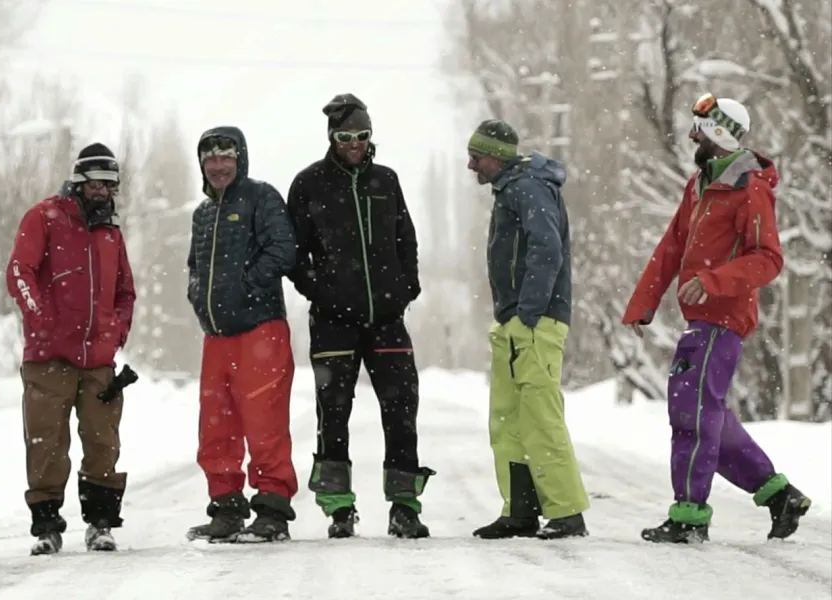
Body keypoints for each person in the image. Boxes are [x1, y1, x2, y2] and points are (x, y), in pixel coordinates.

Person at [621, 94, 812, 544]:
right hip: (699, 321)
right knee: (708, 417)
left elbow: (768, 259)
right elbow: (672, 246)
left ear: (719, 135)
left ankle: (689, 518)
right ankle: (780, 495)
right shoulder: (699, 186)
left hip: (723, 319)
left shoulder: (750, 189)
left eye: (699, 129)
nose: (691, 136)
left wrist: (713, 280)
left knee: (693, 413)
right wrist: (642, 304)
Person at [286, 93, 434, 540]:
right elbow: (294, 255)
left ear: (371, 137)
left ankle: (405, 506)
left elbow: (405, 238)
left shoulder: (386, 181)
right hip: (334, 320)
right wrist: (323, 290)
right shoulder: (309, 184)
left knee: (401, 408)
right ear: (332, 138)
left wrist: (406, 287)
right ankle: (338, 507)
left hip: (387, 317)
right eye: (346, 136)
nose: (355, 144)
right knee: (333, 413)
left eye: (362, 136)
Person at [5, 142, 137, 556]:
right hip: (48, 359)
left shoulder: (111, 233)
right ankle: (46, 525)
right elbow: (19, 272)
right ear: (79, 182)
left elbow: (125, 292)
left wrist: (116, 332)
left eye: (110, 184)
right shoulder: (44, 218)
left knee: (102, 441)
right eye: (95, 183)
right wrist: (41, 321)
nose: (102, 191)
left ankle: (100, 524)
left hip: (98, 361)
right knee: (46, 443)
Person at [465, 119, 590, 541]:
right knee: (509, 419)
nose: (471, 165)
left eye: (476, 156)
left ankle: (567, 512)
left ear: (496, 157)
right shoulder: (512, 189)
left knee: (540, 417)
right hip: (514, 323)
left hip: (533, 323)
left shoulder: (528, 187)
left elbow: (546, 248)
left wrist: (529, 313)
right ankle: (520, 510)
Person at [184, 126, 299, 544]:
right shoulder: (203, 214)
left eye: (225, 157)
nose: (217, 165)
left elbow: (284, 250)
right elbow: (195, 266)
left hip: (260, 330)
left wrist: (248, 285)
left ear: (240, 158)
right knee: (216, 427)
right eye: (210, 158)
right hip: (216, 336)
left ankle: (271, 511)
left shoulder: (260, 198)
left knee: (264, 424)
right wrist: (198, 296)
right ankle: (227, 508)